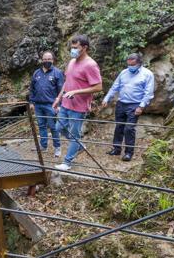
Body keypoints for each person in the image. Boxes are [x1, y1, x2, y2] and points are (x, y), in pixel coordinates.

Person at [52, 35, 102, 171]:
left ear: (84, 48)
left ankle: (67, 162)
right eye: (72, 47)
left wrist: (76, 92)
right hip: (66, 104)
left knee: (74, 134)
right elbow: (67, 82)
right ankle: (79, 145)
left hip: (79, 107)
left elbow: (98, 87)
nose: (72, 50)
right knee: (59, 128)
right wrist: (59, 98)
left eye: (75, 48)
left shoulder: (90, 65)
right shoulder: (72, 61)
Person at [102, 53, 155, 162]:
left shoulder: (147, 74)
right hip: (121, 103)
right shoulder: (124, 73)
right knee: (119, 127)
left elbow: (148, 93)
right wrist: (107, 98)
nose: (130, 66)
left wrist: (141, 106)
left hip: (135, 104)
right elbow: (115, 86)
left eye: (133, 64)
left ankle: (128, 152)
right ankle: (116, 149)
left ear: (139, 63)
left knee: (129, 128)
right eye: (129, 64)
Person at [29, 51, 64, 158]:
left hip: (51, 105)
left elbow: (61, 90)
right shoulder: (36, 73)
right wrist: (31, 102)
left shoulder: (57, 73)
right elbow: (32, 89)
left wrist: (59, 105)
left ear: (52, 60)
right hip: (38, 105)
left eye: (49, 59)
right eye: (45, 59)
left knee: (53, 127)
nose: (46, 61)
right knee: (41, 126)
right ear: (42, 60)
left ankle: (57, 147)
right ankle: (43, 146)